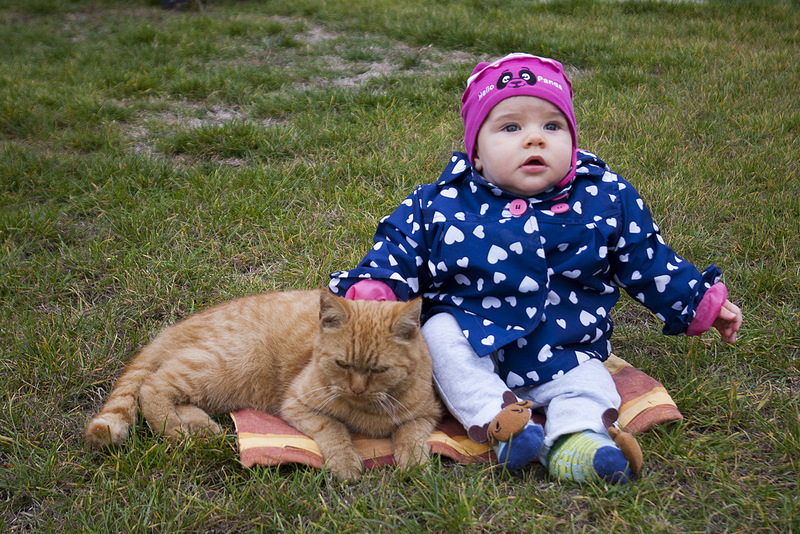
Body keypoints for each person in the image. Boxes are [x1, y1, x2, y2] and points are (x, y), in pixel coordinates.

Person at [329, 53, 742, 484]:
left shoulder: (605, 198)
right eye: (511, 127)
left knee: (592, 384)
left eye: (552, 126)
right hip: (472, 336)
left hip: (565, 344)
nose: (535, 139)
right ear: (477, 154)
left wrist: (697, 301)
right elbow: (398, 246)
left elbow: (647, 258)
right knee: (439, 337)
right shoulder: (441, 201)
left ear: (573, 138)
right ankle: (501, 422)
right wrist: (376, 285)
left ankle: (576, 442)